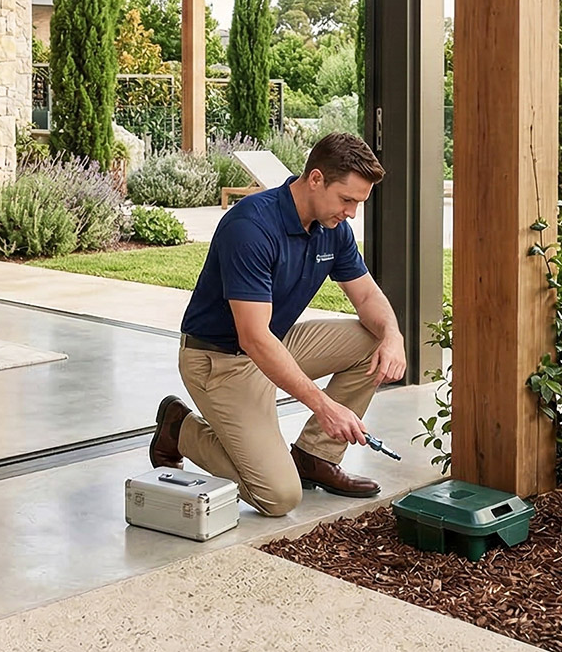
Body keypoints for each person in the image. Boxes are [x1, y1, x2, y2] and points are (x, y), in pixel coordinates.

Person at [149, 132, 407, 517]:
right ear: (316, 179)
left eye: (358, 203)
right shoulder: (251, 227)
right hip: (222, 361)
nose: (351, 213)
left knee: (374, 341)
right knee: (278, 497)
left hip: (275, 343)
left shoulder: (333, 228)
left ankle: (314, 457)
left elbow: (368, 297)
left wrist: (393, 336)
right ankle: (179, 427)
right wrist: (324, 406)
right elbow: (252, 338)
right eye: (347, 200)